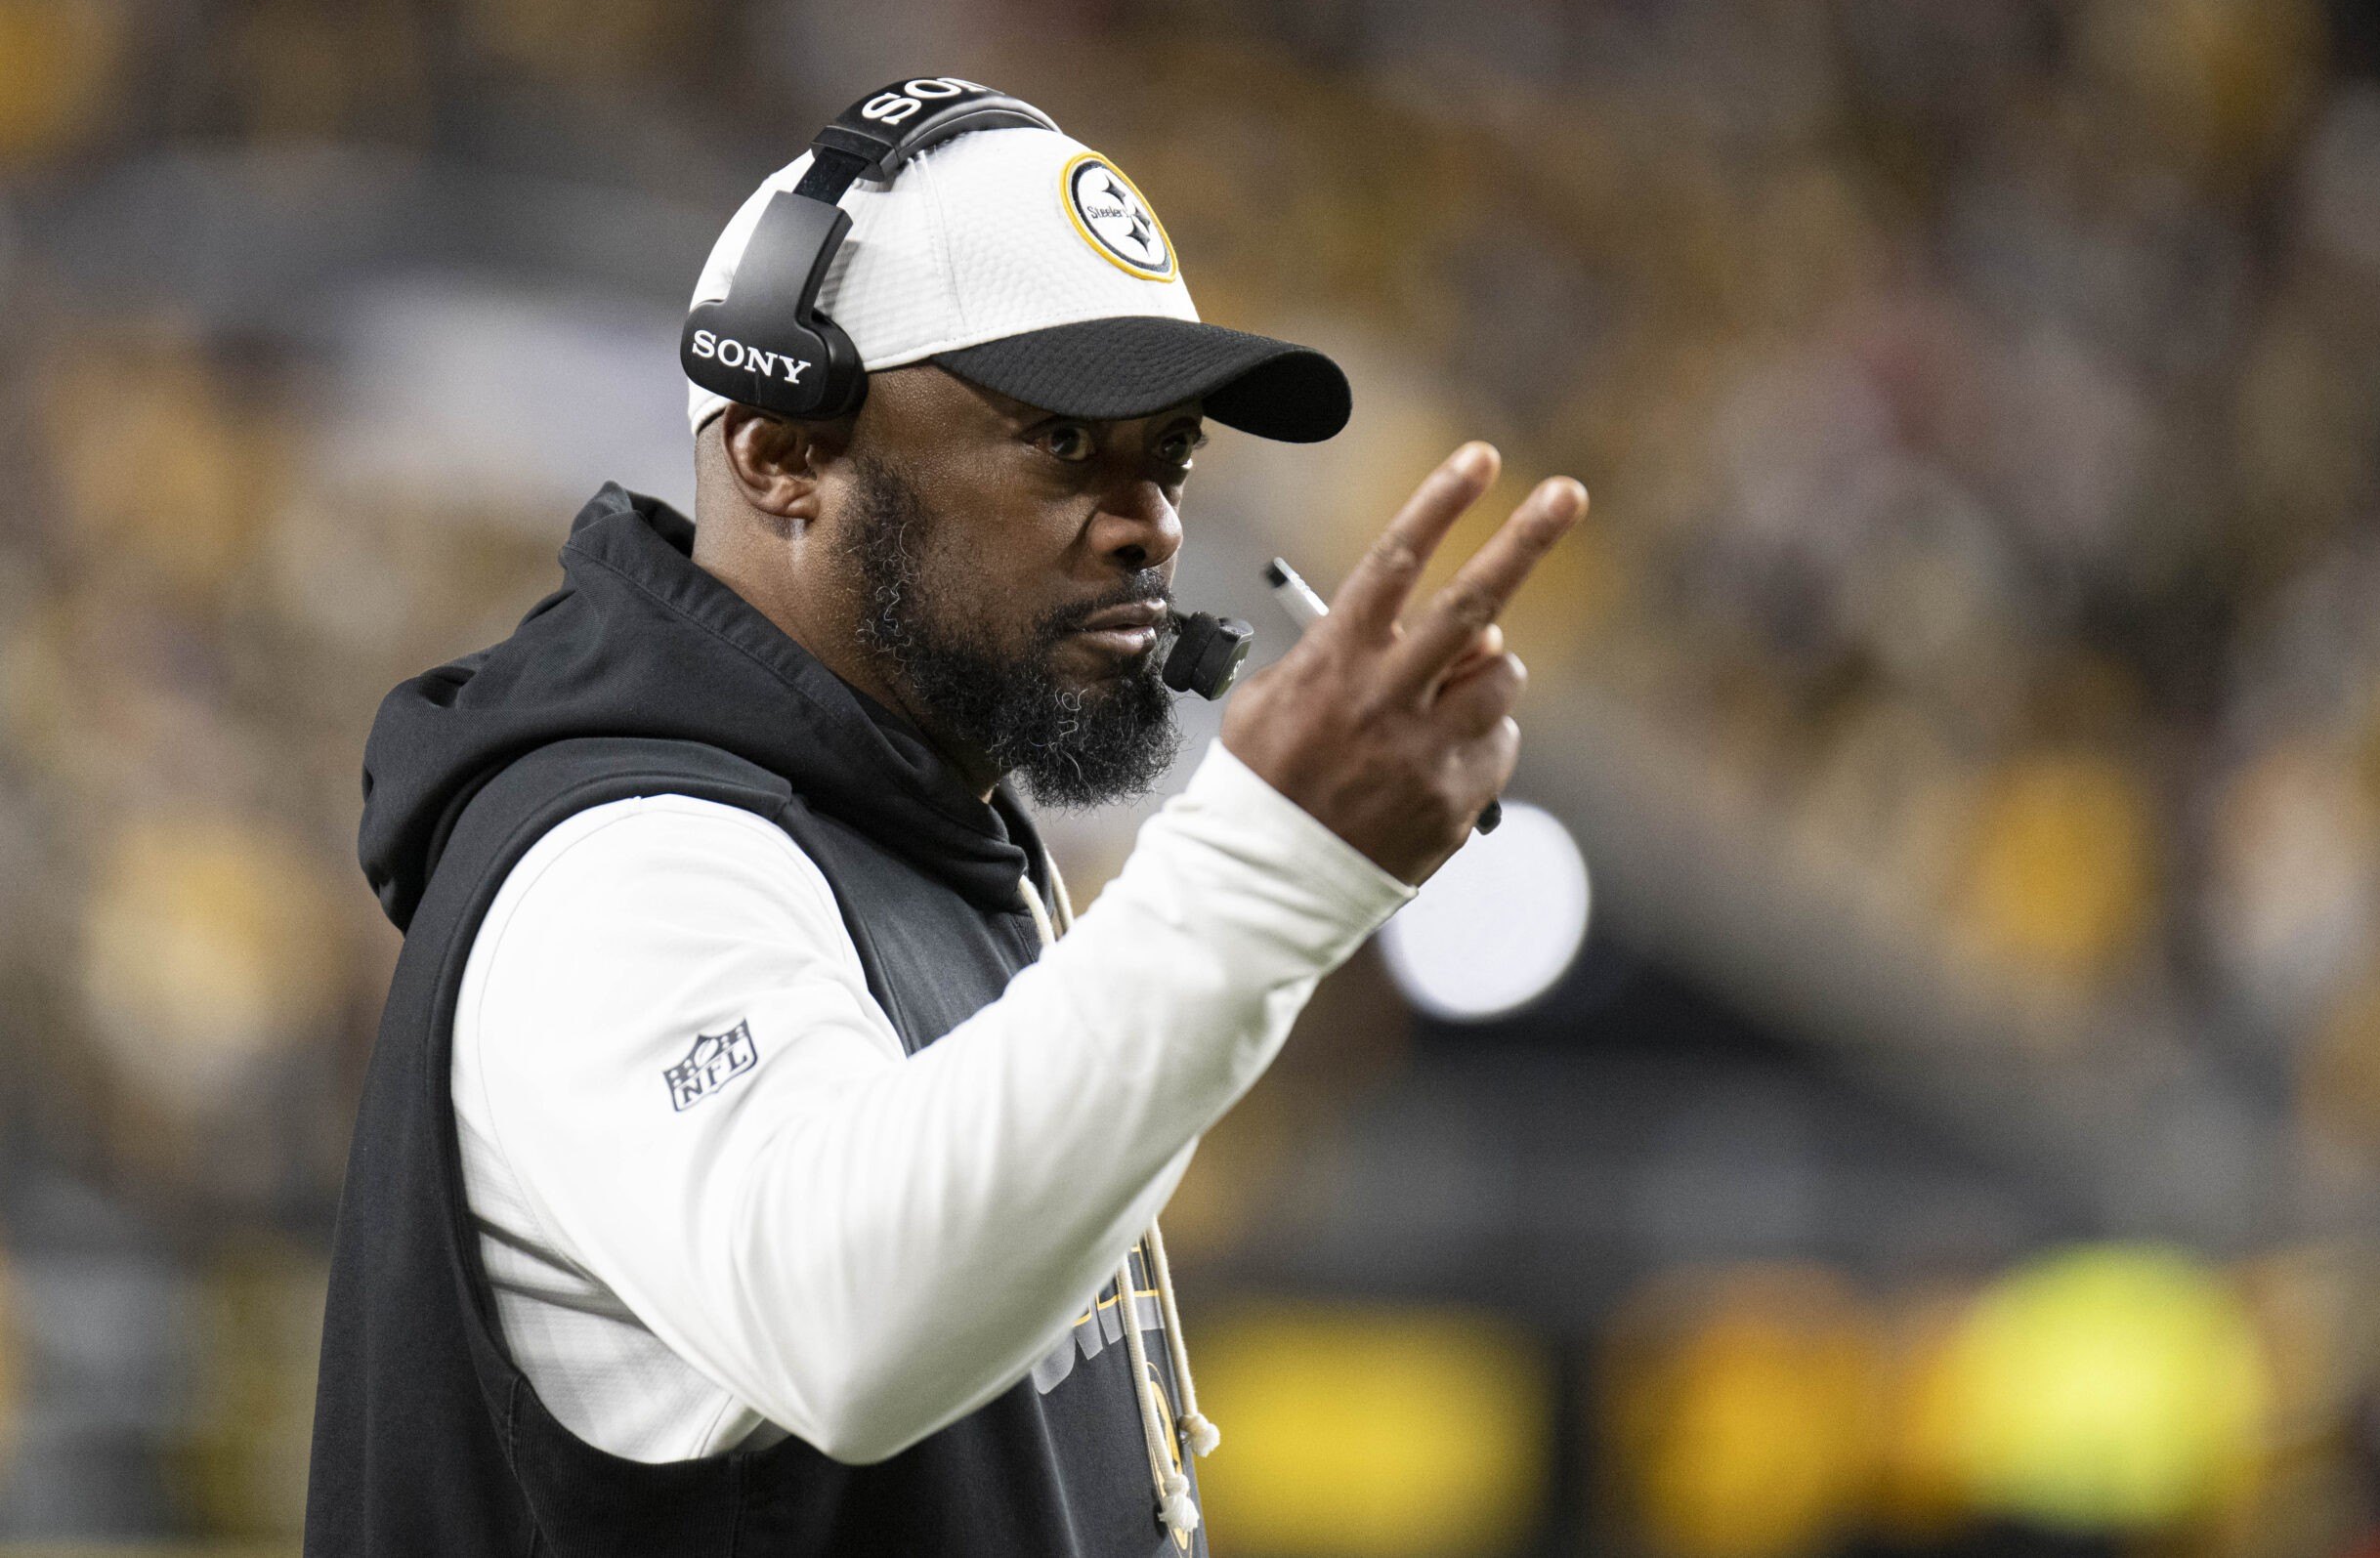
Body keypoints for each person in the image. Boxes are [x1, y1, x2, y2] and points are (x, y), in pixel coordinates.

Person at [306, 88, 1587, 1557]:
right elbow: (847, 1324)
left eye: (1166, 456)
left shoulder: (912, 826)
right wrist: (1275, 868)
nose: (1151, 523)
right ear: (782, 454)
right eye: (1061, 443)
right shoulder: (623, 858)